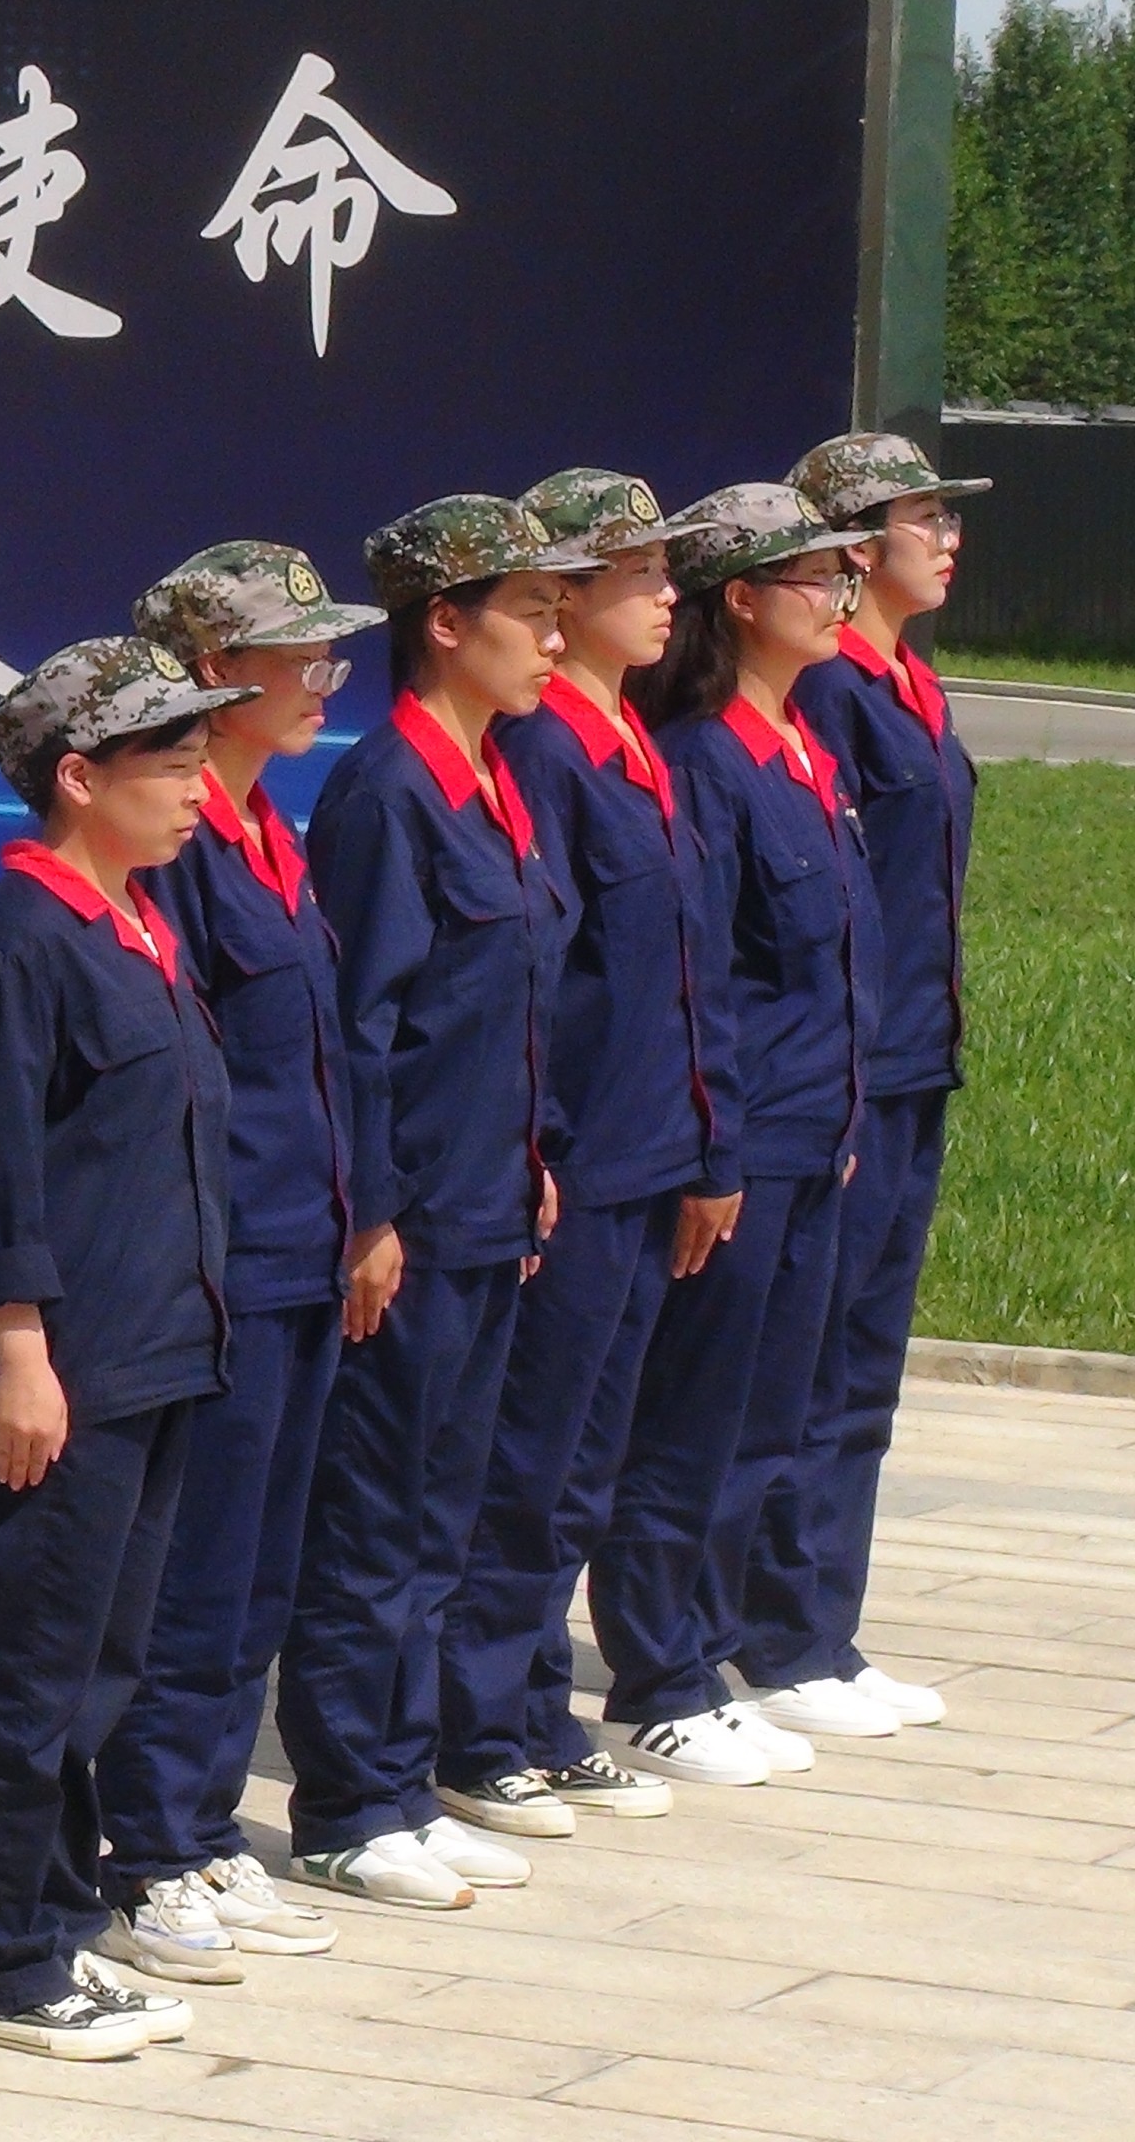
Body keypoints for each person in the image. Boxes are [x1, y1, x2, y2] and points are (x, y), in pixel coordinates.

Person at [0, 637, 240, 2066]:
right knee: (22, 1665)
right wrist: (19, 1354)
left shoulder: (134, 925)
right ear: (78, 779)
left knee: (94, 1667)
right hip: (67, 1372)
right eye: (169, 762)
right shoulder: (18, 943)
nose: (198, 787)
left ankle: (53, 1922)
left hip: (155, 1354)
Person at [282, 495, 591, 1911]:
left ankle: (405, 1778)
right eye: (531, 612)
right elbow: (364, 1025)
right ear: (447, 624)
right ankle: (349, 1799)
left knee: (442, 1506)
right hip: (408, 1219)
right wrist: (372, 1211)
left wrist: (528, 1155)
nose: (555, 637)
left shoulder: (493, 777)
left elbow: (500, 1006)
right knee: (376, 1507)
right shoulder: (390, 790)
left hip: (486, 1201)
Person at [93, 542, 389, 1981]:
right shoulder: (184, 846)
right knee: (195, 1575)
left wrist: (362, 1216)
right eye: (299, 655)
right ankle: (148, 1847)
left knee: (260, 1572)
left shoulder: (271, 828)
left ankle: (207, 1826)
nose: (326, 679)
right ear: (215, 674)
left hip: (301, 1254)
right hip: (226, 1264)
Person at [428, 474, 729, 1841]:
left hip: (645, 1147)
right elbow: (548, 979)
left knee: (584, 1455)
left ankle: (537, 1706)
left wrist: (703, 1142)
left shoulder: (632, 741)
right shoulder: (547, 751)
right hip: (583, 1153)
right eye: (636, 573)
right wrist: (547, 1143)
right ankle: (481, 1719)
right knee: (530, 1455)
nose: (665, 595)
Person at [602, 483, 881, 1783]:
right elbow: (702, 974)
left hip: (817, 1130)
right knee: (695, 1416)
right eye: (814, 577)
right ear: (744, 600)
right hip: (748, 1136)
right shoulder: (709, 761)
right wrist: (716, 1149)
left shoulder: (802, 747)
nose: (839, 597)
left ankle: (708, 1654)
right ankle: (658, 1669)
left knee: (768, 1413)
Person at [752, 430, 985, 1738]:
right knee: (812, 1359)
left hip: (912, 1061)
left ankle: (823, 1627)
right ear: (849, 543)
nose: (947, 539)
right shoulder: (834, 690)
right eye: (921, 518)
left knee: (864, 1368)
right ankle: (784, 1631)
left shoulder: (911, 681)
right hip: (845, 1068)